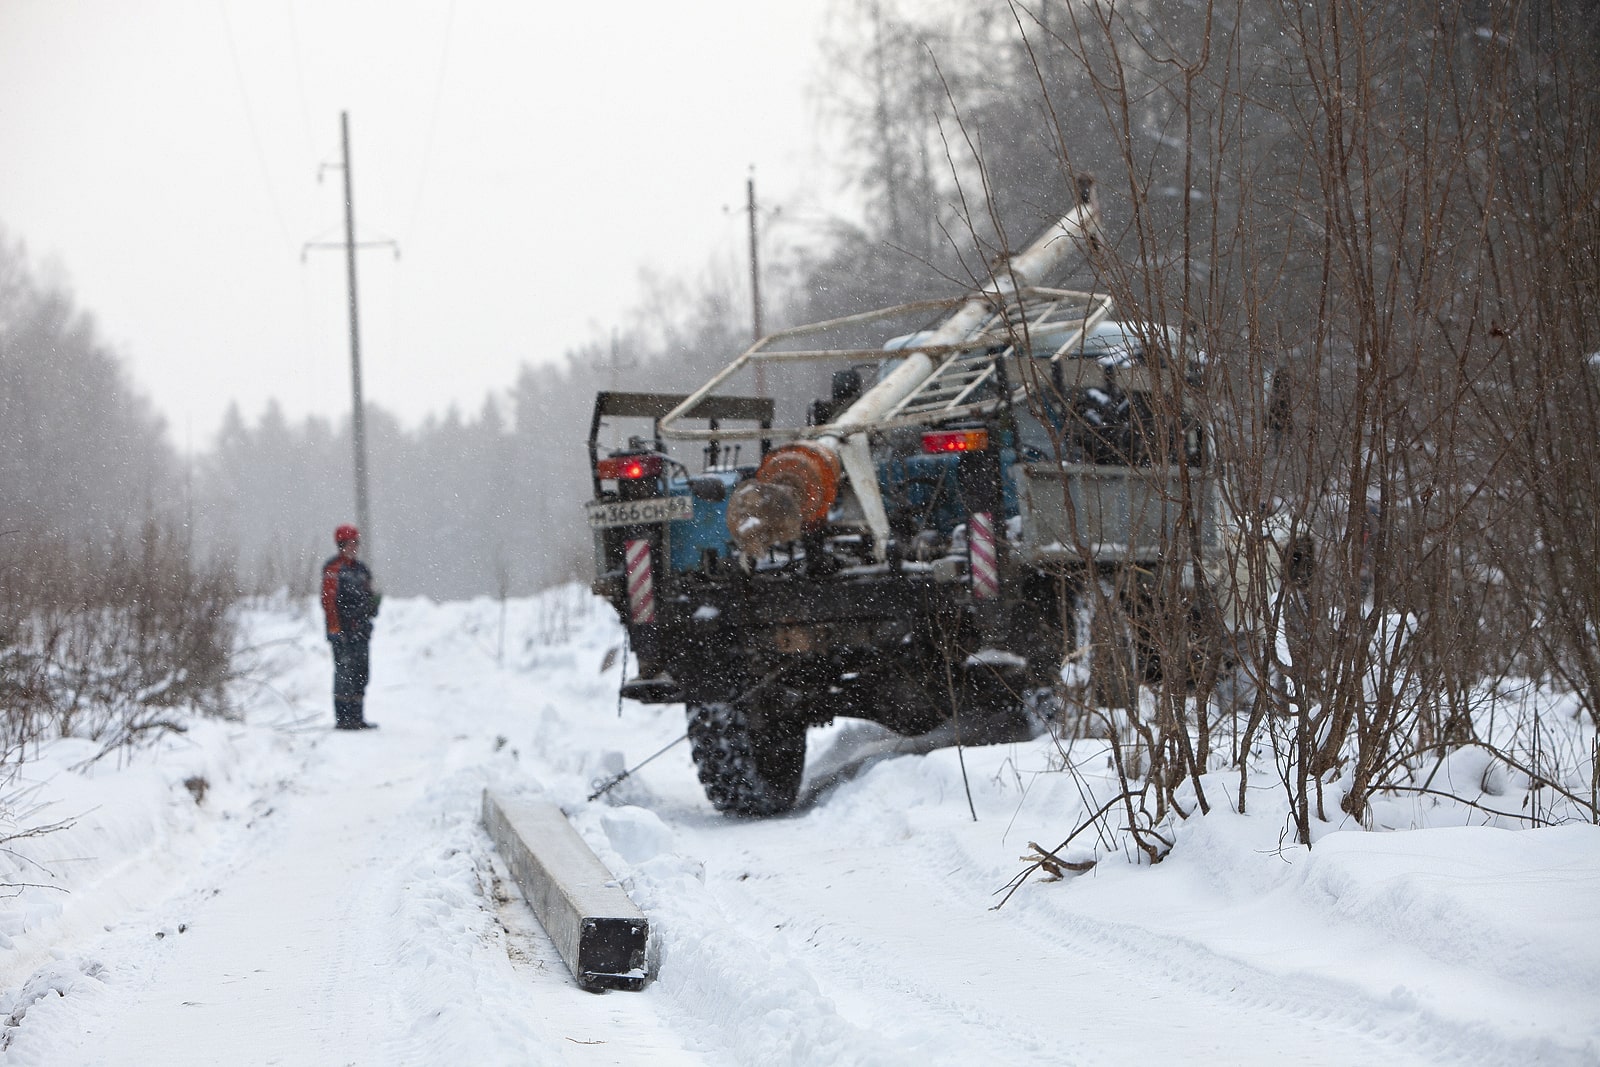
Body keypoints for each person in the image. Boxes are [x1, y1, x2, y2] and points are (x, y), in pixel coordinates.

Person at [321, 524, 381, 730]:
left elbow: (370, 595)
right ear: (341, 545)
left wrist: (372, 606)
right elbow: (329, 602)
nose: (353, 547)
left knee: (361, 673)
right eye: (349, 543)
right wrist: (336, 629)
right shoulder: (334, 569)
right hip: (342, 632)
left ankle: (357, 716)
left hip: (361, 631)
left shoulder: (362, 570)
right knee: (344, 673)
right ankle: (343, 718)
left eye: (356, 543)